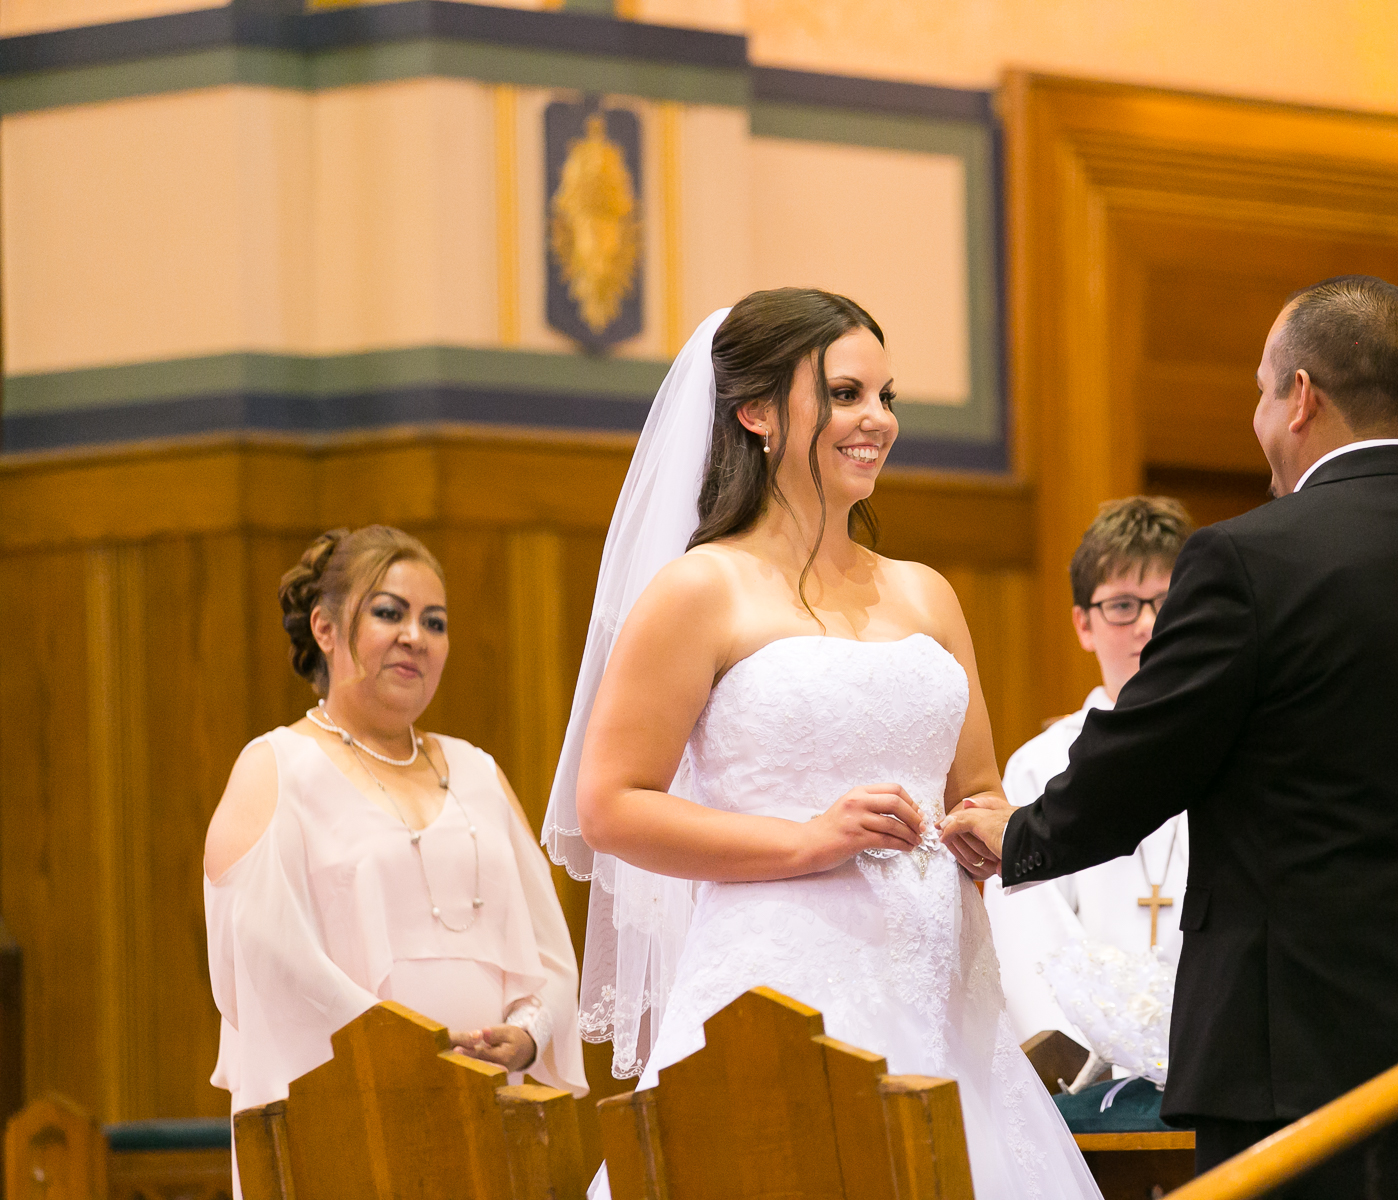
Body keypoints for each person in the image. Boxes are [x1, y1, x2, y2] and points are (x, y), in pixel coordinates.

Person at [944, 276, 1398, 1200]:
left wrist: (1023, 837)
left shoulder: (1249, 558)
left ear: (1302, 396)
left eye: (1260, 391)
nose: (1259, 417)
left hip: (1290, 1064)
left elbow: (1143, 756)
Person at [538, 289, 1102, 1200]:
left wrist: (988, 825)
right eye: (844, 394)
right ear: (756, 413)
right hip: (780, 988)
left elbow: (982, 785)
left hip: (944, 995)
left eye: (887, 397)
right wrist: (811, 840)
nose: (875, 421)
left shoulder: (927, 594)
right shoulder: (702, 591)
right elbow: (611, 806)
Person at [204, 526, 586, 1129]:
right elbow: (267, 959)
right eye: (390, 613)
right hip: (344, 1109)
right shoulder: (275, 766)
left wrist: (529, 1033)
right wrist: (412, 1047)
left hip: (485, 1109)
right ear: (324, 629)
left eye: (435, 622)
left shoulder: (478, 772)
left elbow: (551, 953)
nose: (416, 637)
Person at [984, 496, 1194, 1050]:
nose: (1148, 626)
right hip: (1090, 1074)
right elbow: (1034, 938)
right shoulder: (1042, 766)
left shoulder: (1230, 751)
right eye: (1123, 605)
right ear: (1083, 624)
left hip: (1210, 1051)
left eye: (1167, 603)